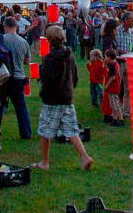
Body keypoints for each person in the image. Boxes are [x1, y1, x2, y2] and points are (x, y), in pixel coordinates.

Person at [32, 25, 93, 171]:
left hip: (53, 99)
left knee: (45, 130)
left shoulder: (51, 58)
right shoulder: (69, 54)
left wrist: (43, 91)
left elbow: (48, 79)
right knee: (71, 129)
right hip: (67, 96)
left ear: (49, 40)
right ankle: (85, 157)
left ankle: (45, 162)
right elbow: (75, 75)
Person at [0, 17, 32, 140]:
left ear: (5, 26)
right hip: (18, 76)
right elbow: (27, 61)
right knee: (21, 107)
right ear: (16, 27)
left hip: (3, 76)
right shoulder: (23, 42)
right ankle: (26, 133)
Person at [101, 48, 124, 126]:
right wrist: (105, 64)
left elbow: (112, 77)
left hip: (113, 88)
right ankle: (114, 119)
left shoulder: (113, 64)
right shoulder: (114, 63)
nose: (105, 58)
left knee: (116, 105)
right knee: (112, 105)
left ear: (109, 57)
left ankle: (120, 120)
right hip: (112, 89)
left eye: (105, 56)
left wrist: (106, 86)